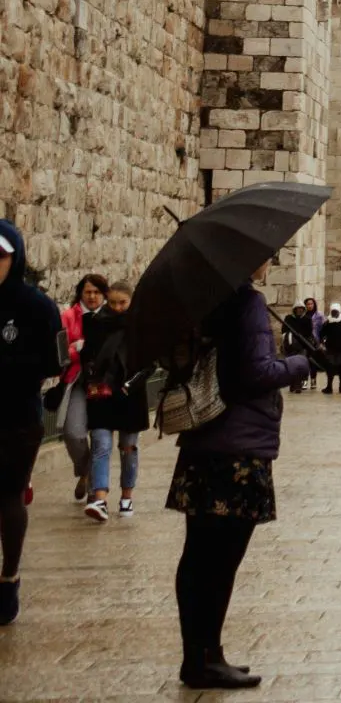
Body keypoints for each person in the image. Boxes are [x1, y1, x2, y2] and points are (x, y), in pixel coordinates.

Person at [166, 258, 310, 689]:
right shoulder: (246, 301)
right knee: (221, 560)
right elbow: (254, 373)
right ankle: (205, 658)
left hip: (203, 444)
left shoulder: (202, 300)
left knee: (198, 556)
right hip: (238, 449)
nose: (271, 258)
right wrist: (299, 364)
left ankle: (202, 655)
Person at [0, 219, 65, 626]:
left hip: (16, 416)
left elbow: (57, 360)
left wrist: (14, 365)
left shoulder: (37, 307)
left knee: (8, 495)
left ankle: (8, 577)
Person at [81, 279, 149, 522]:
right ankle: (100, 498)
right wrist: (92, 374)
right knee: (101, 444)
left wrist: (131, 384)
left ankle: (126, 496)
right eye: (113, 303)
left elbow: (149, 362)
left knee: (128, 448)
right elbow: (87, 355)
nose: (118, 308)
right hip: (103, 392)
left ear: (131, 302)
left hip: (130, 393)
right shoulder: (96, 323)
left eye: (123, 303)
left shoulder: (140, 326)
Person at [58, 274, 109, 504]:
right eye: (88, 291)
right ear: (81, 293)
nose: (92, 296)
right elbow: (60, 354)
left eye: (97, 292)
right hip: (77, 381)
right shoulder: (68, 317)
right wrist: (76, 349)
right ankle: (85, 471)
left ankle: (94, 488)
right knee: (74, 433)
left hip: (103, 384)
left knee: (100, 439)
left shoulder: (110, 317)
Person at [281, 302, 315, 394]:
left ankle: (298, 385)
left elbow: (309, 332)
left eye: (301, 308)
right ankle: (292, 384)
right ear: (295, 309)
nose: (299, 310)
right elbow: (284, 330)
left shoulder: (307, 319)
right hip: (290, 346)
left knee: (299, 365)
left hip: (302, 346)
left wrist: (301, 336)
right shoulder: (288, 318)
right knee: (291, 365)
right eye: (298, 308)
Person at [318, 305, 341, 394]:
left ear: (339, 311)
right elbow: (322, 333)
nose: (334, 313)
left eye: (336, 311)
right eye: (333, 311)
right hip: (331, 349)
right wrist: (322, 343)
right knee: (330, 368)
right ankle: (329, 387)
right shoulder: (327, 322)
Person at [302, 298, 325, 392]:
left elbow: (323, 329)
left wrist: (322, 342)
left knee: (313, 362)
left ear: (314, 304)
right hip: (304, 341)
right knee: (304, 361)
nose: (310, 306)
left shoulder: (319, 315)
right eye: (308, 304)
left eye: (311, 304)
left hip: (316, 342)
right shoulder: (303, 315)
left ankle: (313, 380)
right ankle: (304, 381)